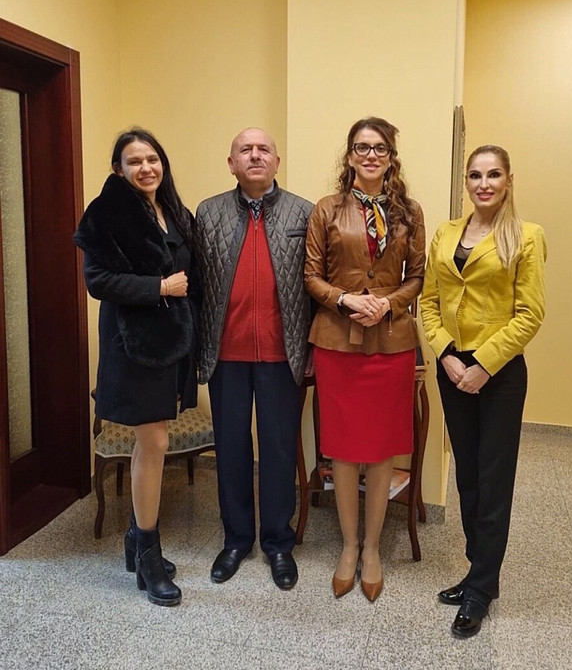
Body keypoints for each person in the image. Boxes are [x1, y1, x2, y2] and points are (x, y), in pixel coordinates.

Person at [419, 144, 547, 638]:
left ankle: (480, 588)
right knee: (468, 476)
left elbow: (530, 314)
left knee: (493, 480)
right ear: (466, 182)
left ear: (508, 180)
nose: (484, 184)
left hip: (499, 375)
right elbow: (428, 302)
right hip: (452, 369)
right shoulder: (446, 233)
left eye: (493, 175)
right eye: (475, 175)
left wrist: (484, 366)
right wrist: (447, 355)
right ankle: (479, 570)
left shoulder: (526, 236)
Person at [73, 127, 200, 607]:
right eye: (134, 161)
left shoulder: (173, 210)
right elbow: (98, 280)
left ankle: (134, 536)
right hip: (134, 346)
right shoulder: (107, 212)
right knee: (156, 442)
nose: (146, 168)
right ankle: (148, 552)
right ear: (118, 169)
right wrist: (158, 288)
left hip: (171, 345)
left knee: (154, 441)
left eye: (152, 159)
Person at [304, 116, 426, 602]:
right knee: (343, 449)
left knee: (380, 450)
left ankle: (372, 549)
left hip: (391, 344)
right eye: (361, 147)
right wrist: (345, 300)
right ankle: (349, 546)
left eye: (379, 148)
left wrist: (387, 304)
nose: (370, 155)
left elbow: (417, 277)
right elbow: (311, 276)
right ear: (350, 155)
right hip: (337, 344)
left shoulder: (409, 213)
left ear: (391, 157)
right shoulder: (327, 209)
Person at [195, 126, 313, 590]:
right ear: (232, 164)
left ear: (277, 162)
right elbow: (197, 284)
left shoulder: (303, 212)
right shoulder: (208, 213)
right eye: (245, 150)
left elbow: (315, 286)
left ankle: (279, 543)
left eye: (264, 149)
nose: (255, 155)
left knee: (280, 449)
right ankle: (236, 539)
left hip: (283, 355)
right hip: (226, 355)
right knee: (231, 449)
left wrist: (311, 350)